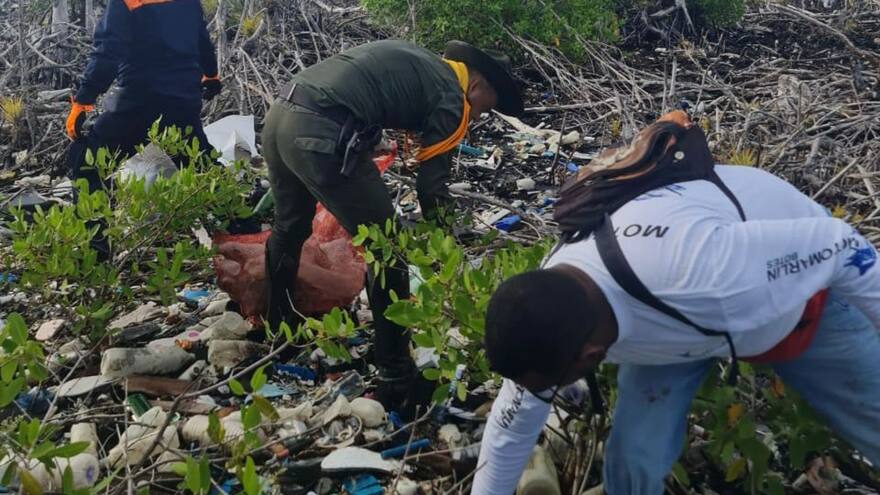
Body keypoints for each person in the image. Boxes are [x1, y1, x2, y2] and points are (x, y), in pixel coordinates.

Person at [473, 122, 880, 492]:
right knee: (633, 460)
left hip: (797, 304)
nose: (543, 392)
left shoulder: (706, 271)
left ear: (594, 356)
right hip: (670, 325)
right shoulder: (548, 315)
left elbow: (839, 244)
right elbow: (511, 429)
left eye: (552, 384)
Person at [260, 39, 523, 409]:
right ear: (477, 86)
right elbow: (432, 188)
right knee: (389, 247)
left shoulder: (425, 64)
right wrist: (444, 256)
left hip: (280, 115)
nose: (478, 116)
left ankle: (277, 334)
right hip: (318, 129)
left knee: (289, 228)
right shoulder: (453, 95)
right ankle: (396, 374)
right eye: (485, 109)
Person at [66, 0, 221, 192]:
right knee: (204, 168)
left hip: (137, 104)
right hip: (183, 103)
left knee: (86, 162)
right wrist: (211, 75)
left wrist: (83, 100)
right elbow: (202, 39)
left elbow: (108, 52)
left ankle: (93, 220)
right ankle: (237, 219)